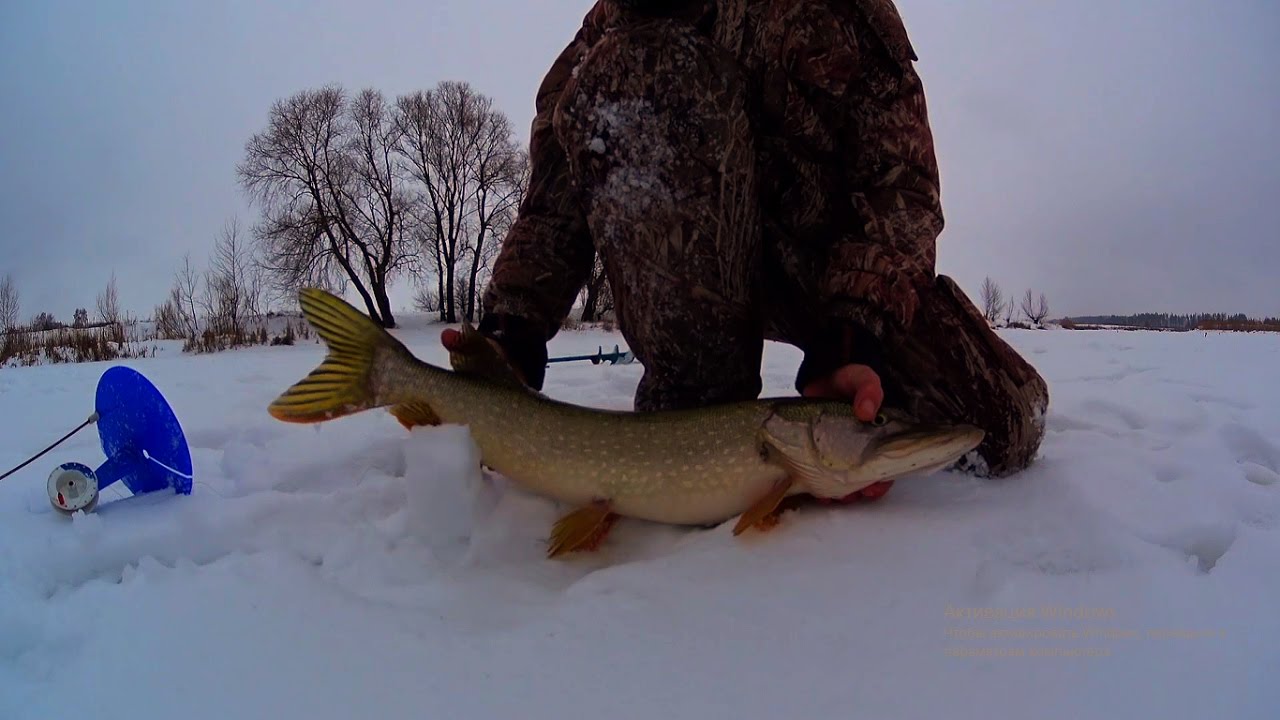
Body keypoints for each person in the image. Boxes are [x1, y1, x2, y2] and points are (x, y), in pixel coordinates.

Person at [443, 0, 1049, 497]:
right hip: (688, 268)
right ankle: (693, 393)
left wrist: (854, 335)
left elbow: (900, 185)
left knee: (997, 425)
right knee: (626, 69)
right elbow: (556, 194)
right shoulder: (608, 33)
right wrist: (513, 329)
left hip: (829, 274)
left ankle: (844, 361)